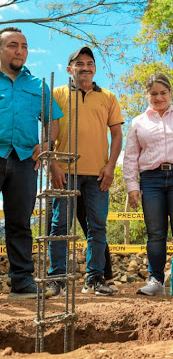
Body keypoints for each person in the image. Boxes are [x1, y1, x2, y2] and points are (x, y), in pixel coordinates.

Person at [47, 47, 123, 296]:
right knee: (60, 226)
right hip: (65, 173)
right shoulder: (57, 93)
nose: (85, 67)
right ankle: (56, 279)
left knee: (97, 227)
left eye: (90, 63)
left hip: (98, 174)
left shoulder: (108, 97)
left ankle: (95, 278)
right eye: (79, 63)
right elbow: (51, 133)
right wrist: (53, 164)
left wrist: (111, 167)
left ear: (95, 69)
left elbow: (117, 134)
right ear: (69, 69)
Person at [123, 73, 173, 296]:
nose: (159, 97)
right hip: (151, 179)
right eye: (154, 93)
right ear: (147, 95)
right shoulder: (138, 122)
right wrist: (132, 187)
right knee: (155, 232)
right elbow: (130, 157)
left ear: (170, 93)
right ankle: (155, 279)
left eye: (163, 93)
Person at [0, 26, 62, 299]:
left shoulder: (38, 85)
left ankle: (22, 282)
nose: (20, 51)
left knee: (20, 223)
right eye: (13, 45)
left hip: (25, 160)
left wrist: (46, 144)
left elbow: (52, 120)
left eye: (24, 46)